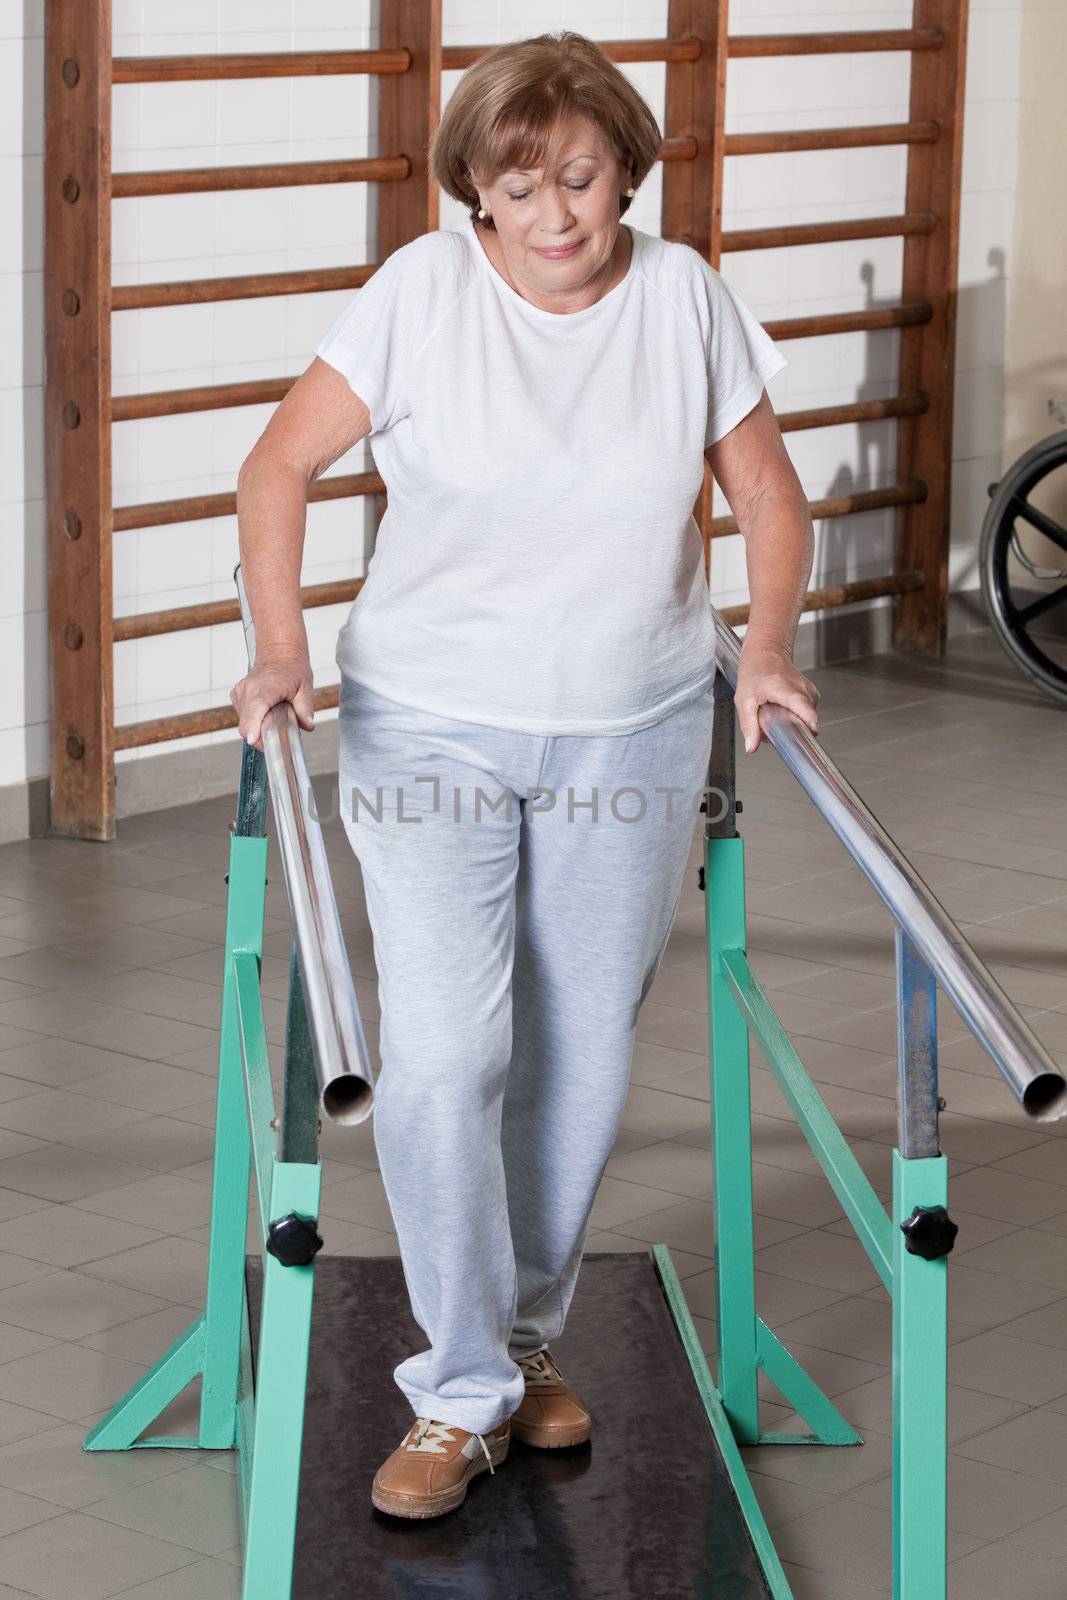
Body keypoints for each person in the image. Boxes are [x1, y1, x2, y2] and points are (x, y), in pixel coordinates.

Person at [230, 29, 819, 1521]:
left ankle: (523, 1333)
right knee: (444, 1055)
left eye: (582, 177)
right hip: (433, 724)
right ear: (473, 194)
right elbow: (277, 467)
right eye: (518, 186)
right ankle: (465, 1390)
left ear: (625, 163)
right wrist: (285, 647)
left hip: (627, 728)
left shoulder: (683, 295)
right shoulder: (421, 295)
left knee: (578, 1056)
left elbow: (765, 491)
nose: (556, 217)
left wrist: (761, 650)